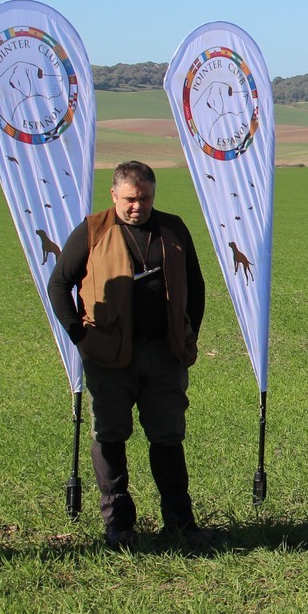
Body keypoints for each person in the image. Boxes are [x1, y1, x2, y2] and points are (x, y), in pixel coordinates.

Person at [48, 161, 209, 549]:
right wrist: (80, 337)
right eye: (131, 199)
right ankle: (118, 524)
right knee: (110, 435)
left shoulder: (172, 229)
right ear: (114, 195)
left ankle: (180, 522)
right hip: (108, 358)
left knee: (168, 437)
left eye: (146, 199)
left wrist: (188, 334)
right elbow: (59, 285)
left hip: (164, 355)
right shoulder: (93, 230)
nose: (139, 207)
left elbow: (196, 286)